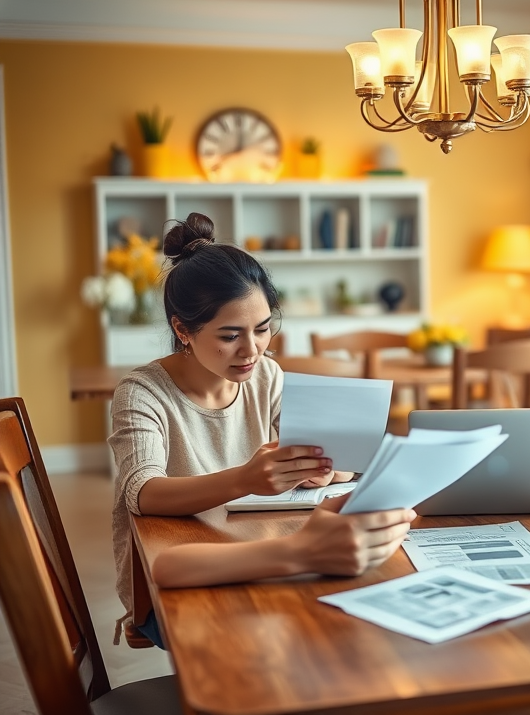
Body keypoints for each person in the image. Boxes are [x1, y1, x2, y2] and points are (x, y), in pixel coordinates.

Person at [110, 212, 413, 647]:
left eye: (263, 329)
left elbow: (322, 462)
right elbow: (142, 493)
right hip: (173, 576)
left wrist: (325, 470)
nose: (251, 350)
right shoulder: (141, 393)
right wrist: (246, 479)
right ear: (183, 329)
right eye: (230, 335)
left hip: (252, 546)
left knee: (335, 622)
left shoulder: (266, 376)